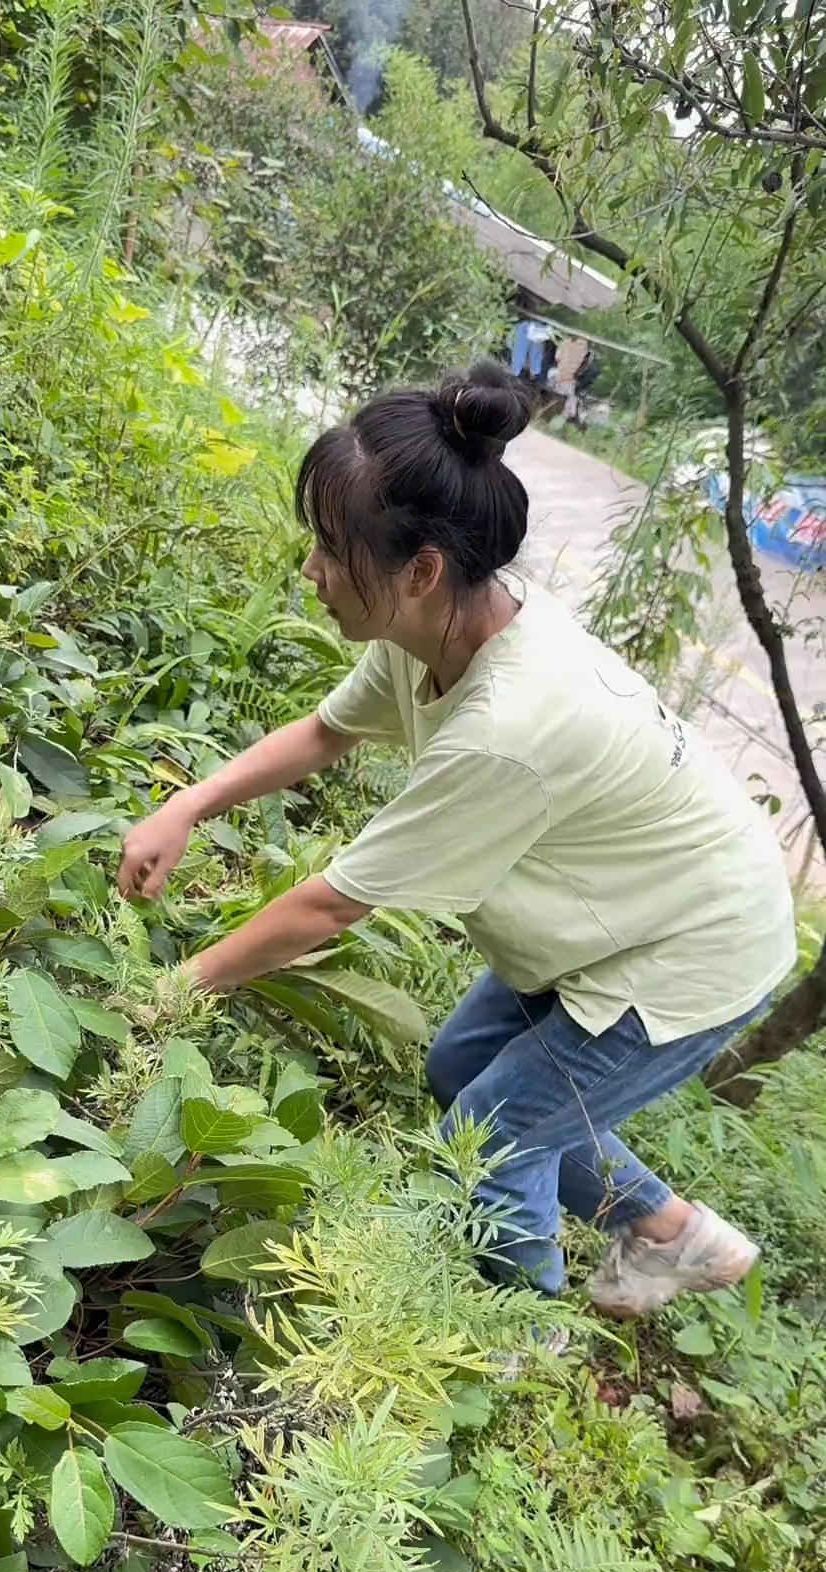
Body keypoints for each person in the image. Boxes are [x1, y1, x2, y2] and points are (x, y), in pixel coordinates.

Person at [118, 361, 796, 1317]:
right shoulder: (434, 635)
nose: (309, 570)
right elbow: (323, 735)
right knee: (457, 1070)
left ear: (420, 570)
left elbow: (333, 902)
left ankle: (516, 1336)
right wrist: (186, 804)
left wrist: (176, 989)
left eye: (328, 548)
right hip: (629, 904)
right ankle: (673, 1233)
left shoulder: (507, 726)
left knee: (496, 1133)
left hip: (691, 945)